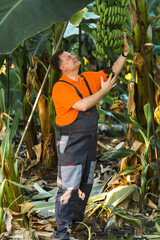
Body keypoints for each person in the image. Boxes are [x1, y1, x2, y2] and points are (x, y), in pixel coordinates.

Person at [50, 36, 129, 240]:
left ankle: (75, 221)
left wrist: (124, 54)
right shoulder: (60, 87)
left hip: (89, 140)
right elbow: (83, 105)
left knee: (86, 181)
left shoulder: (87, 78)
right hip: (71, 142)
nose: (73, 56)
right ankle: (61, 231)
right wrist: (103, 91)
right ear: (62, 68)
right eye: (68, 57)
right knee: (69, 185)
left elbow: (112, 73)